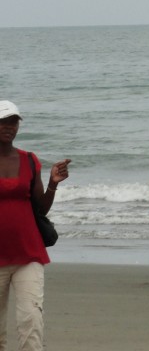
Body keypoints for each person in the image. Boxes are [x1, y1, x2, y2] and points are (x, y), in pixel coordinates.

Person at [0, 100, 71, 351]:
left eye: (13, 122)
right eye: (3, 122)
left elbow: (39, 209)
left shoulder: (29, 160)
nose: (9, 127)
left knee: (31, 321)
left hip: (28, 252)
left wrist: (53, 183)